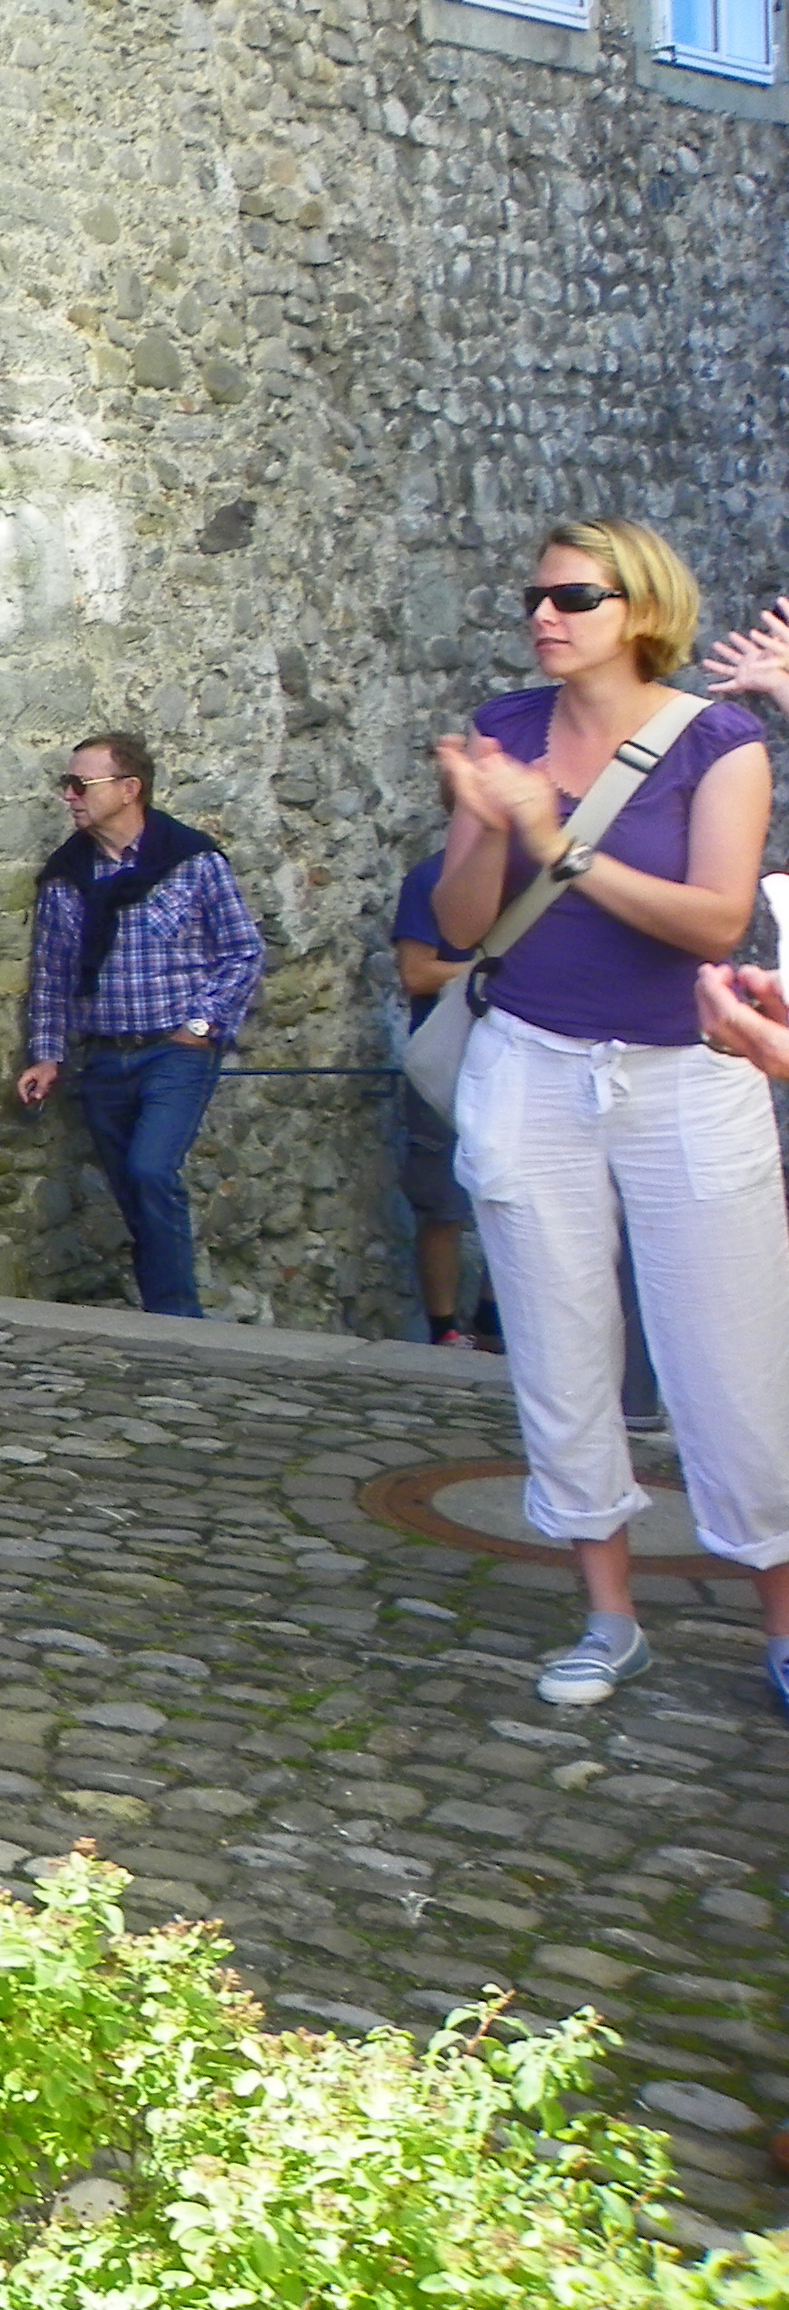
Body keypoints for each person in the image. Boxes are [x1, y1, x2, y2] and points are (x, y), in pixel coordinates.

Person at [431, 522, 789, 1716]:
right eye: (535, 596)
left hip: (685, 1076)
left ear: (640, 608)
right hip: (530, 1065)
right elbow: (464, 925)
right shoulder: (505, 729)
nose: (544, 615)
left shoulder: (717, 740)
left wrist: (557, 843)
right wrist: (488, 824)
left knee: (731, 1359)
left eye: (573, 596)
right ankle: (608, 1617)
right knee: (555, 1344)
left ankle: (782, 1623)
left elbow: (712, 921)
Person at [14, 730, 265, 1320]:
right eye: (66, 784)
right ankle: (162, 1314)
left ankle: (180, 1318)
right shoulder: (67, 876)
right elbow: (53, 974)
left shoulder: (191, 861)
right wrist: (47, 1055)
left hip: (173, 1051)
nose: (68, 796)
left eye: (81, 785)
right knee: (131, 1188)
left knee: (152, 1169)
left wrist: (201, 1024)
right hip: (104, 1057)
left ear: (130, 789)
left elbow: (243, 951)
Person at [388, 851, 493, 1351]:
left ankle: (494, 1321)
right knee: (443, 1201)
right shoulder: (431, 877)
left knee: (518, 1192)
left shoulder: (543, 877)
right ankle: (445, 1329)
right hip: (448, 1056)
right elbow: (416, 974)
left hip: (520, 1058)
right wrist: (491, 970)